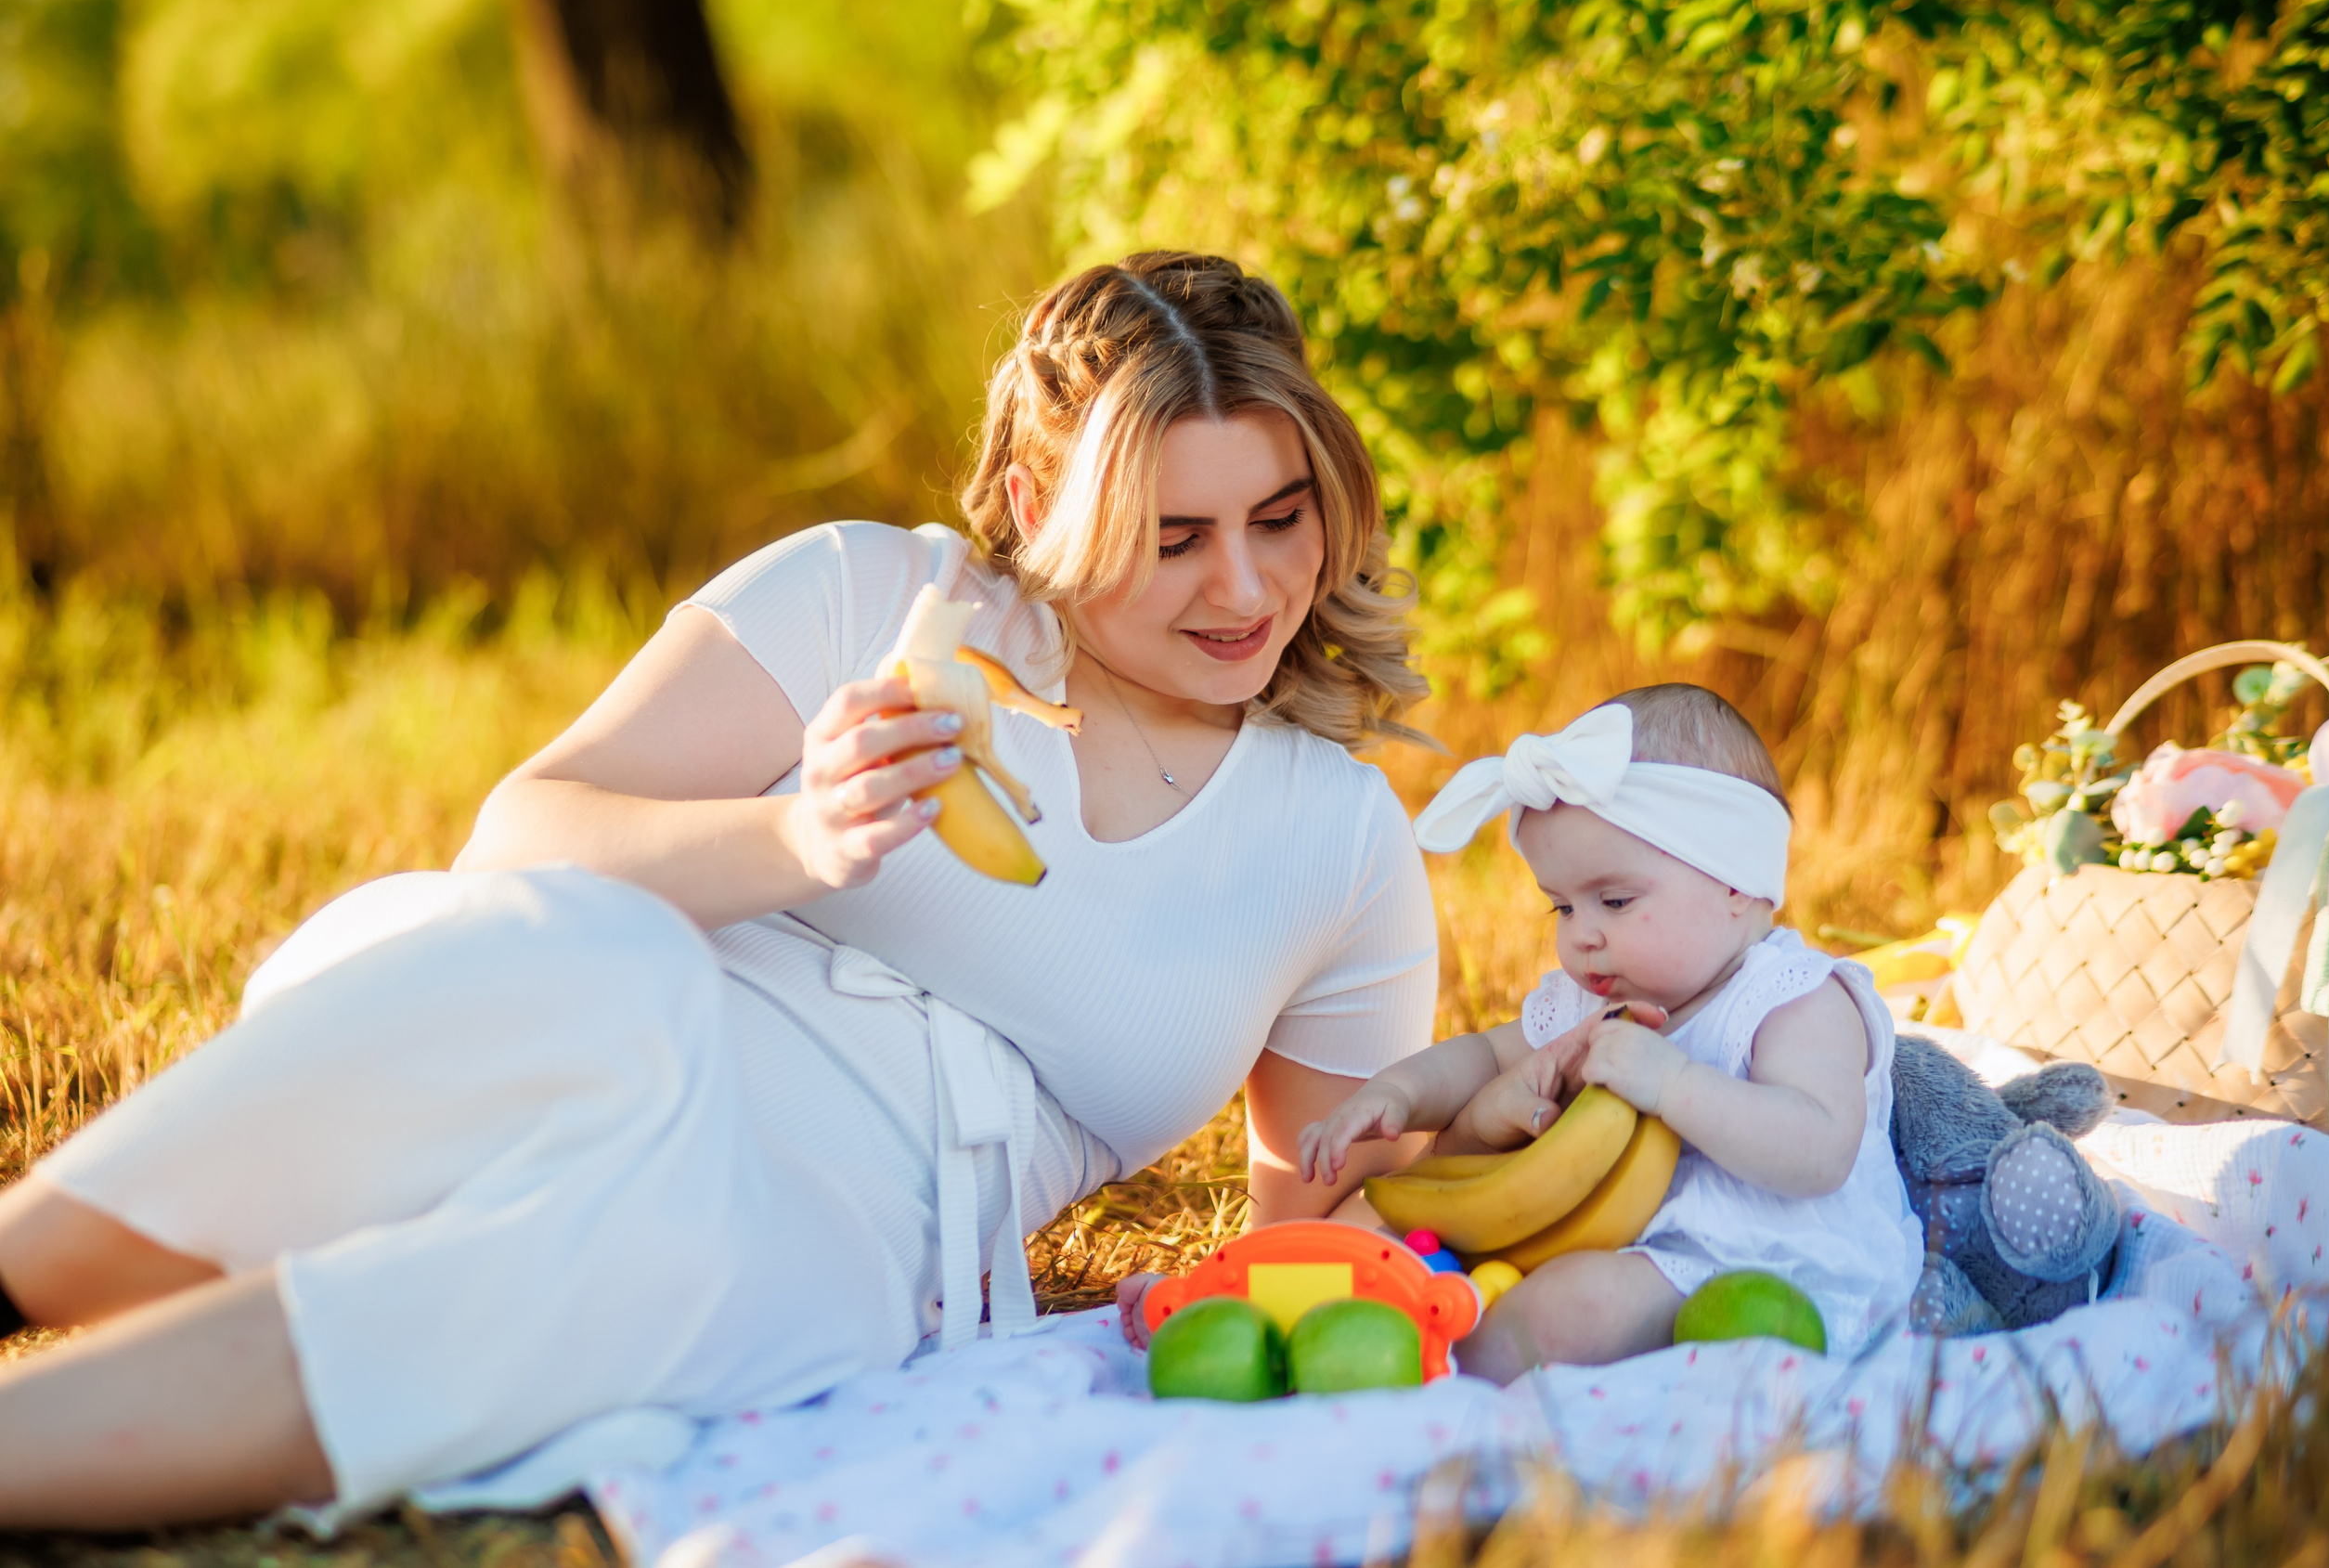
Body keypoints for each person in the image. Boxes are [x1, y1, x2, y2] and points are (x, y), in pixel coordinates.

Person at [0, 253, 1441, 1529]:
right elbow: (518, 835)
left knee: (624, 1266)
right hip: (548, 1039)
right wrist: (798, 841)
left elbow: (1310, 1240)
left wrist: (1500, 1134)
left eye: (1281, 514)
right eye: (1175, 537)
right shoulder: (877, 597)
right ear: (1035, 500)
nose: (1245, 587)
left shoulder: (1339, 842)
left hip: (836, 1225)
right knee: (606, 974)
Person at [1297, 686, 1923, 1379]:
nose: (1581, 935)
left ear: (1737, 884)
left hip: (1764, 1267)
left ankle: (1422, 1368)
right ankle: (1288, 1315)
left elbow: (1820, 1149)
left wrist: (1675, 1082)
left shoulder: (1790, 997)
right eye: (1561, 906)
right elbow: (1482, 1055)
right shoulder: (1587, 1004)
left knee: (1575, 1304)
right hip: (1606, 1240)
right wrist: (1398, 1093)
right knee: (1364, 1226)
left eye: (1615, 900)